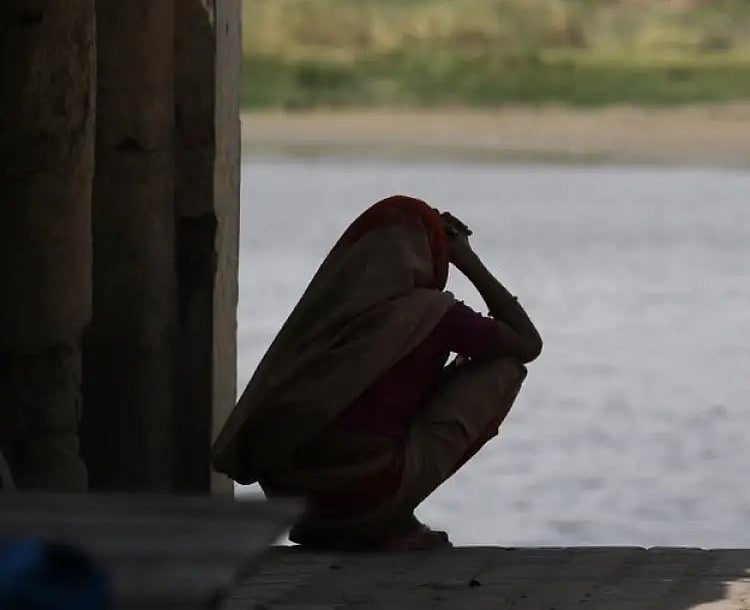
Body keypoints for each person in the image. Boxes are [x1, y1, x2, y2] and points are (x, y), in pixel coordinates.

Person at [211, 196, 542, 551]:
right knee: (503, 366)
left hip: (296, 501)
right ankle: (388, 519)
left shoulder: (328, 311)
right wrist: (468, 261)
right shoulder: (432, 314)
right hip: (369, 491)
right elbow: (527, 344)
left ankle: (335, 520)